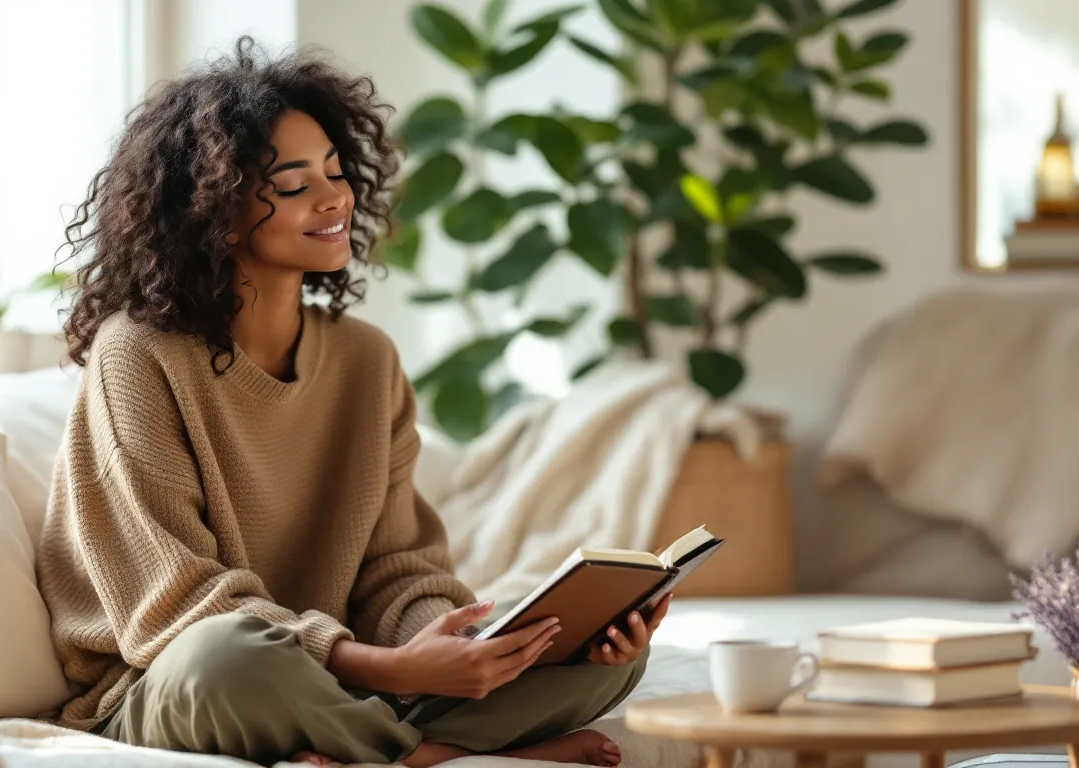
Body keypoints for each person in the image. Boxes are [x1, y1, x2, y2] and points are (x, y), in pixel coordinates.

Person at [35, 37, 669, 768]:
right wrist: (387, 670)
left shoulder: (368, 361)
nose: (335, 197)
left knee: (608, 659)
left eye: (336, 173)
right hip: (171, 684)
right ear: (212, 204)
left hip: (341, 682)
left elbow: (395, 569)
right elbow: (173, 608)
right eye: (295, 184)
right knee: (231, 654)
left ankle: (385, 755)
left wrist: (460, 640)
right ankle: (426, 758)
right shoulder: (137, 354)